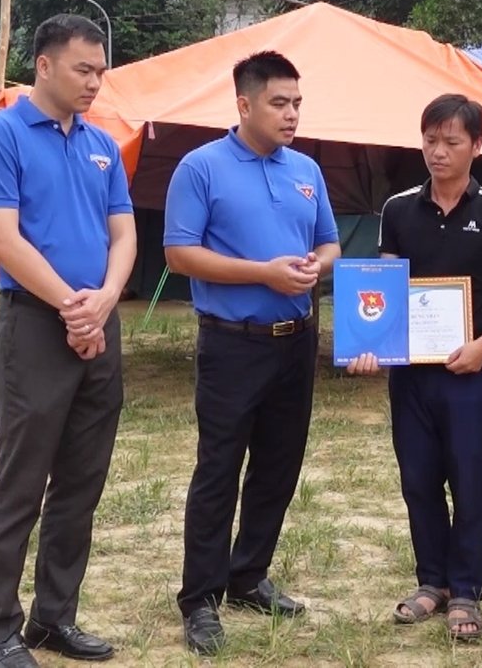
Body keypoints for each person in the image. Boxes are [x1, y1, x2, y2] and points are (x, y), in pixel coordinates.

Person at [0, 14, 136, 668]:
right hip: (37, 325)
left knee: (81, 481)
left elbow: (123, 234)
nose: (96, 82)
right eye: (83, 70)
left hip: (97, 322)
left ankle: (53, 617)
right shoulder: (1, 134)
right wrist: (72, 305)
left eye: (101, 71)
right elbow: (2, 236)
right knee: (21, 483)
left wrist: (104, 300)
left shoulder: (101, 144)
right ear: (44, 65)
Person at [164, 51, 341, 655]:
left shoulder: (306, 170)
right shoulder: (201, 168)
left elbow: (329, 242)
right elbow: (179, 255)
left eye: (297, 103)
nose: (292, 114)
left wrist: (317, 265)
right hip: (232, 344)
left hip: (296, 344)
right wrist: (262, 274)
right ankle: (200, 598)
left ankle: (249, 574)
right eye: (279, 103)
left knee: (278, 466)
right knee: (219, 469)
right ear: (244, 104)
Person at [347, 94, 482, 642]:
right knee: (418, 478)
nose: (438, 151)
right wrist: (369, 344)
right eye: (430, 139)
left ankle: (468, 589)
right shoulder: (399, 209)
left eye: (451, 141)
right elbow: (380, 291)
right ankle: (432, 582)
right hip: (412, 375)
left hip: (471, 373)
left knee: (470, 478)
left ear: (477, 145)